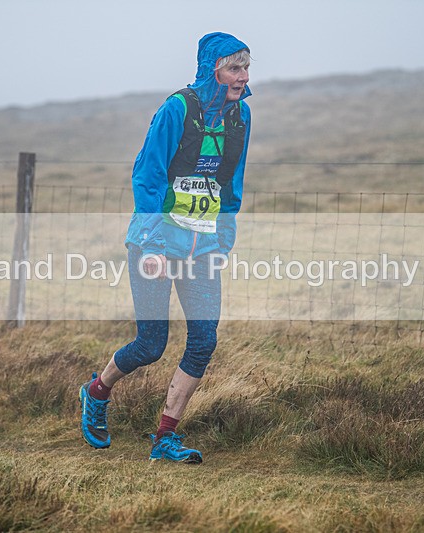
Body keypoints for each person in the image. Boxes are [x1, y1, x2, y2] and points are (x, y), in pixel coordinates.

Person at [79, 32, 252, 464]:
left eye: (247, 68)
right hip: (155, 243)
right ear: (212, 68)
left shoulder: (240, 117)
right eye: (234, 67)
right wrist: (154, 242)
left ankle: (165, 438)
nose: (242, 77)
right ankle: (97, 391)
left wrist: (224, 236)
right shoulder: (178, 109)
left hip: (203, 246)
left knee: (203, 341)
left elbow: (231, 181)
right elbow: (147, 176)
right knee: (151, 344)